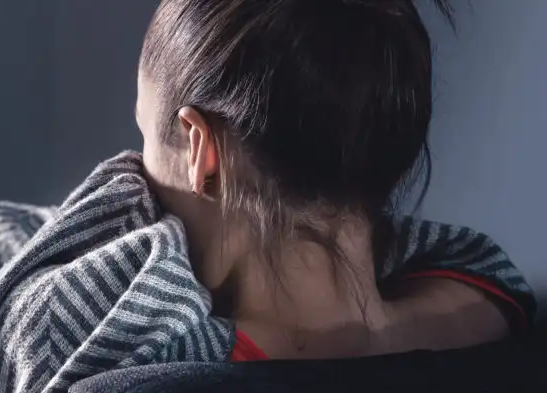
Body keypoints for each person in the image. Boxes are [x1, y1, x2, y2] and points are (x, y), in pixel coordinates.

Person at [134, 0, 529, 360]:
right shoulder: (482, 317)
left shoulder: (147, 383)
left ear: (202, 151)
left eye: (144, 136)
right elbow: (483, 262)